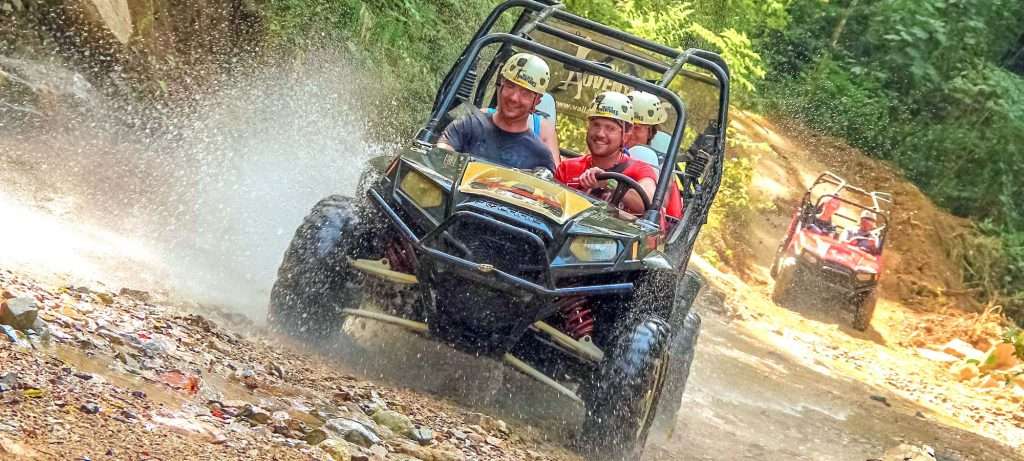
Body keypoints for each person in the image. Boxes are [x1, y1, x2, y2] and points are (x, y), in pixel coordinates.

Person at [555, 91, 682, 219]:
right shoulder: (567, 167)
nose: (600, 133)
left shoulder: (641, 170)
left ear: (626, 134)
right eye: (595, 125)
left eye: (610, 128)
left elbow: (648, 204)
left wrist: (608, 183)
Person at [438, 53, 556, 172]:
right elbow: (439, 157)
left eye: (525, 93)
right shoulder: (467, 126)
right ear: (501, 86)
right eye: (510, 86)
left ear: (536, 101)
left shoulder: (540, 156)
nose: (514, 98)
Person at [624, 91, 668, 170]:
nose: (630, 133)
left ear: (650, 132)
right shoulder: (604, 148)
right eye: (626, 125)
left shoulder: (662, 164)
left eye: (636, 128)